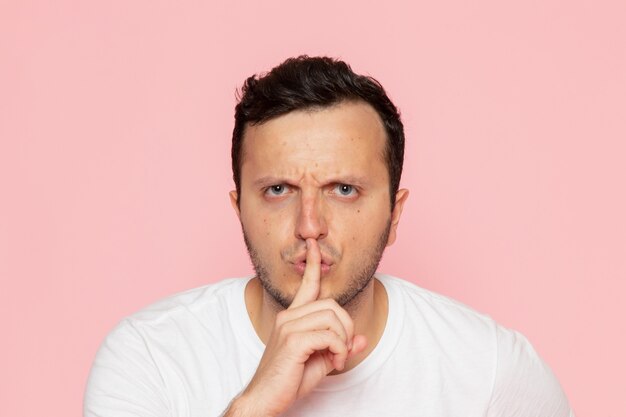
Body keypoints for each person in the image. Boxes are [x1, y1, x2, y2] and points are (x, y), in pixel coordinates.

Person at [84, 56, 573, 417]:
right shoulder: (148, 358)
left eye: (344, 189)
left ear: (394, 213)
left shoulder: (490, 372)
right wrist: (254, 406)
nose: (310, 225)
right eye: (278, 190)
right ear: (240, 211)